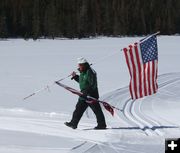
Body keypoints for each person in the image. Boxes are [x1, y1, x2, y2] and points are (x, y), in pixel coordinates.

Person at [64, 57, 106, 130]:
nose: (79, 66)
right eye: (78, 65)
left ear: (84, 65)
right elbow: (83, 82)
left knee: (97, 110)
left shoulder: (90, 72)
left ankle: (102, 125)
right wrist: (75, 77)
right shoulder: (83, 72)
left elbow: (93, 84)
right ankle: (73, 123)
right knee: (78, 109)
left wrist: (87, 92)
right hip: (83, 95)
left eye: (80, 65)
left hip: (91, 95)